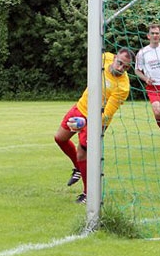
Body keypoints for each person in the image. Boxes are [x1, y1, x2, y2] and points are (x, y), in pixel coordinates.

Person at [53, 48, 133, 204]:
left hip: (97, 121)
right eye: (120, 63)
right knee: (59, 138)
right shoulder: (105, 58)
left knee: (82, 153)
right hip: (80, 108)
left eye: (126, 67)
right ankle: (78, 168)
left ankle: (88, 193)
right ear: (115, 58)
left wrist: (86, 123)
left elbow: (107, 114)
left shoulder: (122, 87)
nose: (120, 68)